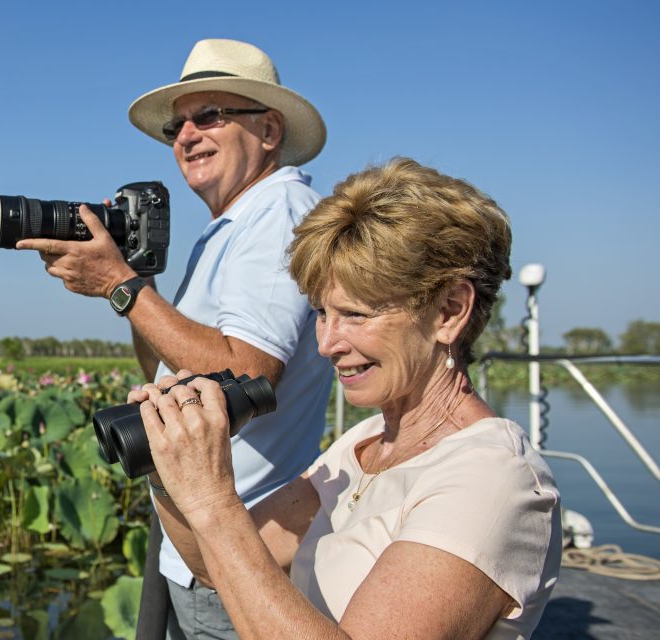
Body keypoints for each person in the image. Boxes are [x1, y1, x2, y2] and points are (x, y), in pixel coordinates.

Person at [133, 158, 561, 639]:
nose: (326, 343)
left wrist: (213, 500)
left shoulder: (491, 479)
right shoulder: (365, 444)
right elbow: (217, 568)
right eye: (321, 312)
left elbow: (222, 533)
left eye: (355, 314)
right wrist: (167, 469)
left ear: (450, 310)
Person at [15, 39, 333, 637]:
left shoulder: (278, 213)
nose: (186, 134)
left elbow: (250, 372)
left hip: (242, 548)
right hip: (199, 543)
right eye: (177, 123)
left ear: (268, 129)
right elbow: (168, 372)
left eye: (210, 114)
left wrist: (121, 284)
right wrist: (138, 284)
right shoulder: (232, 225)